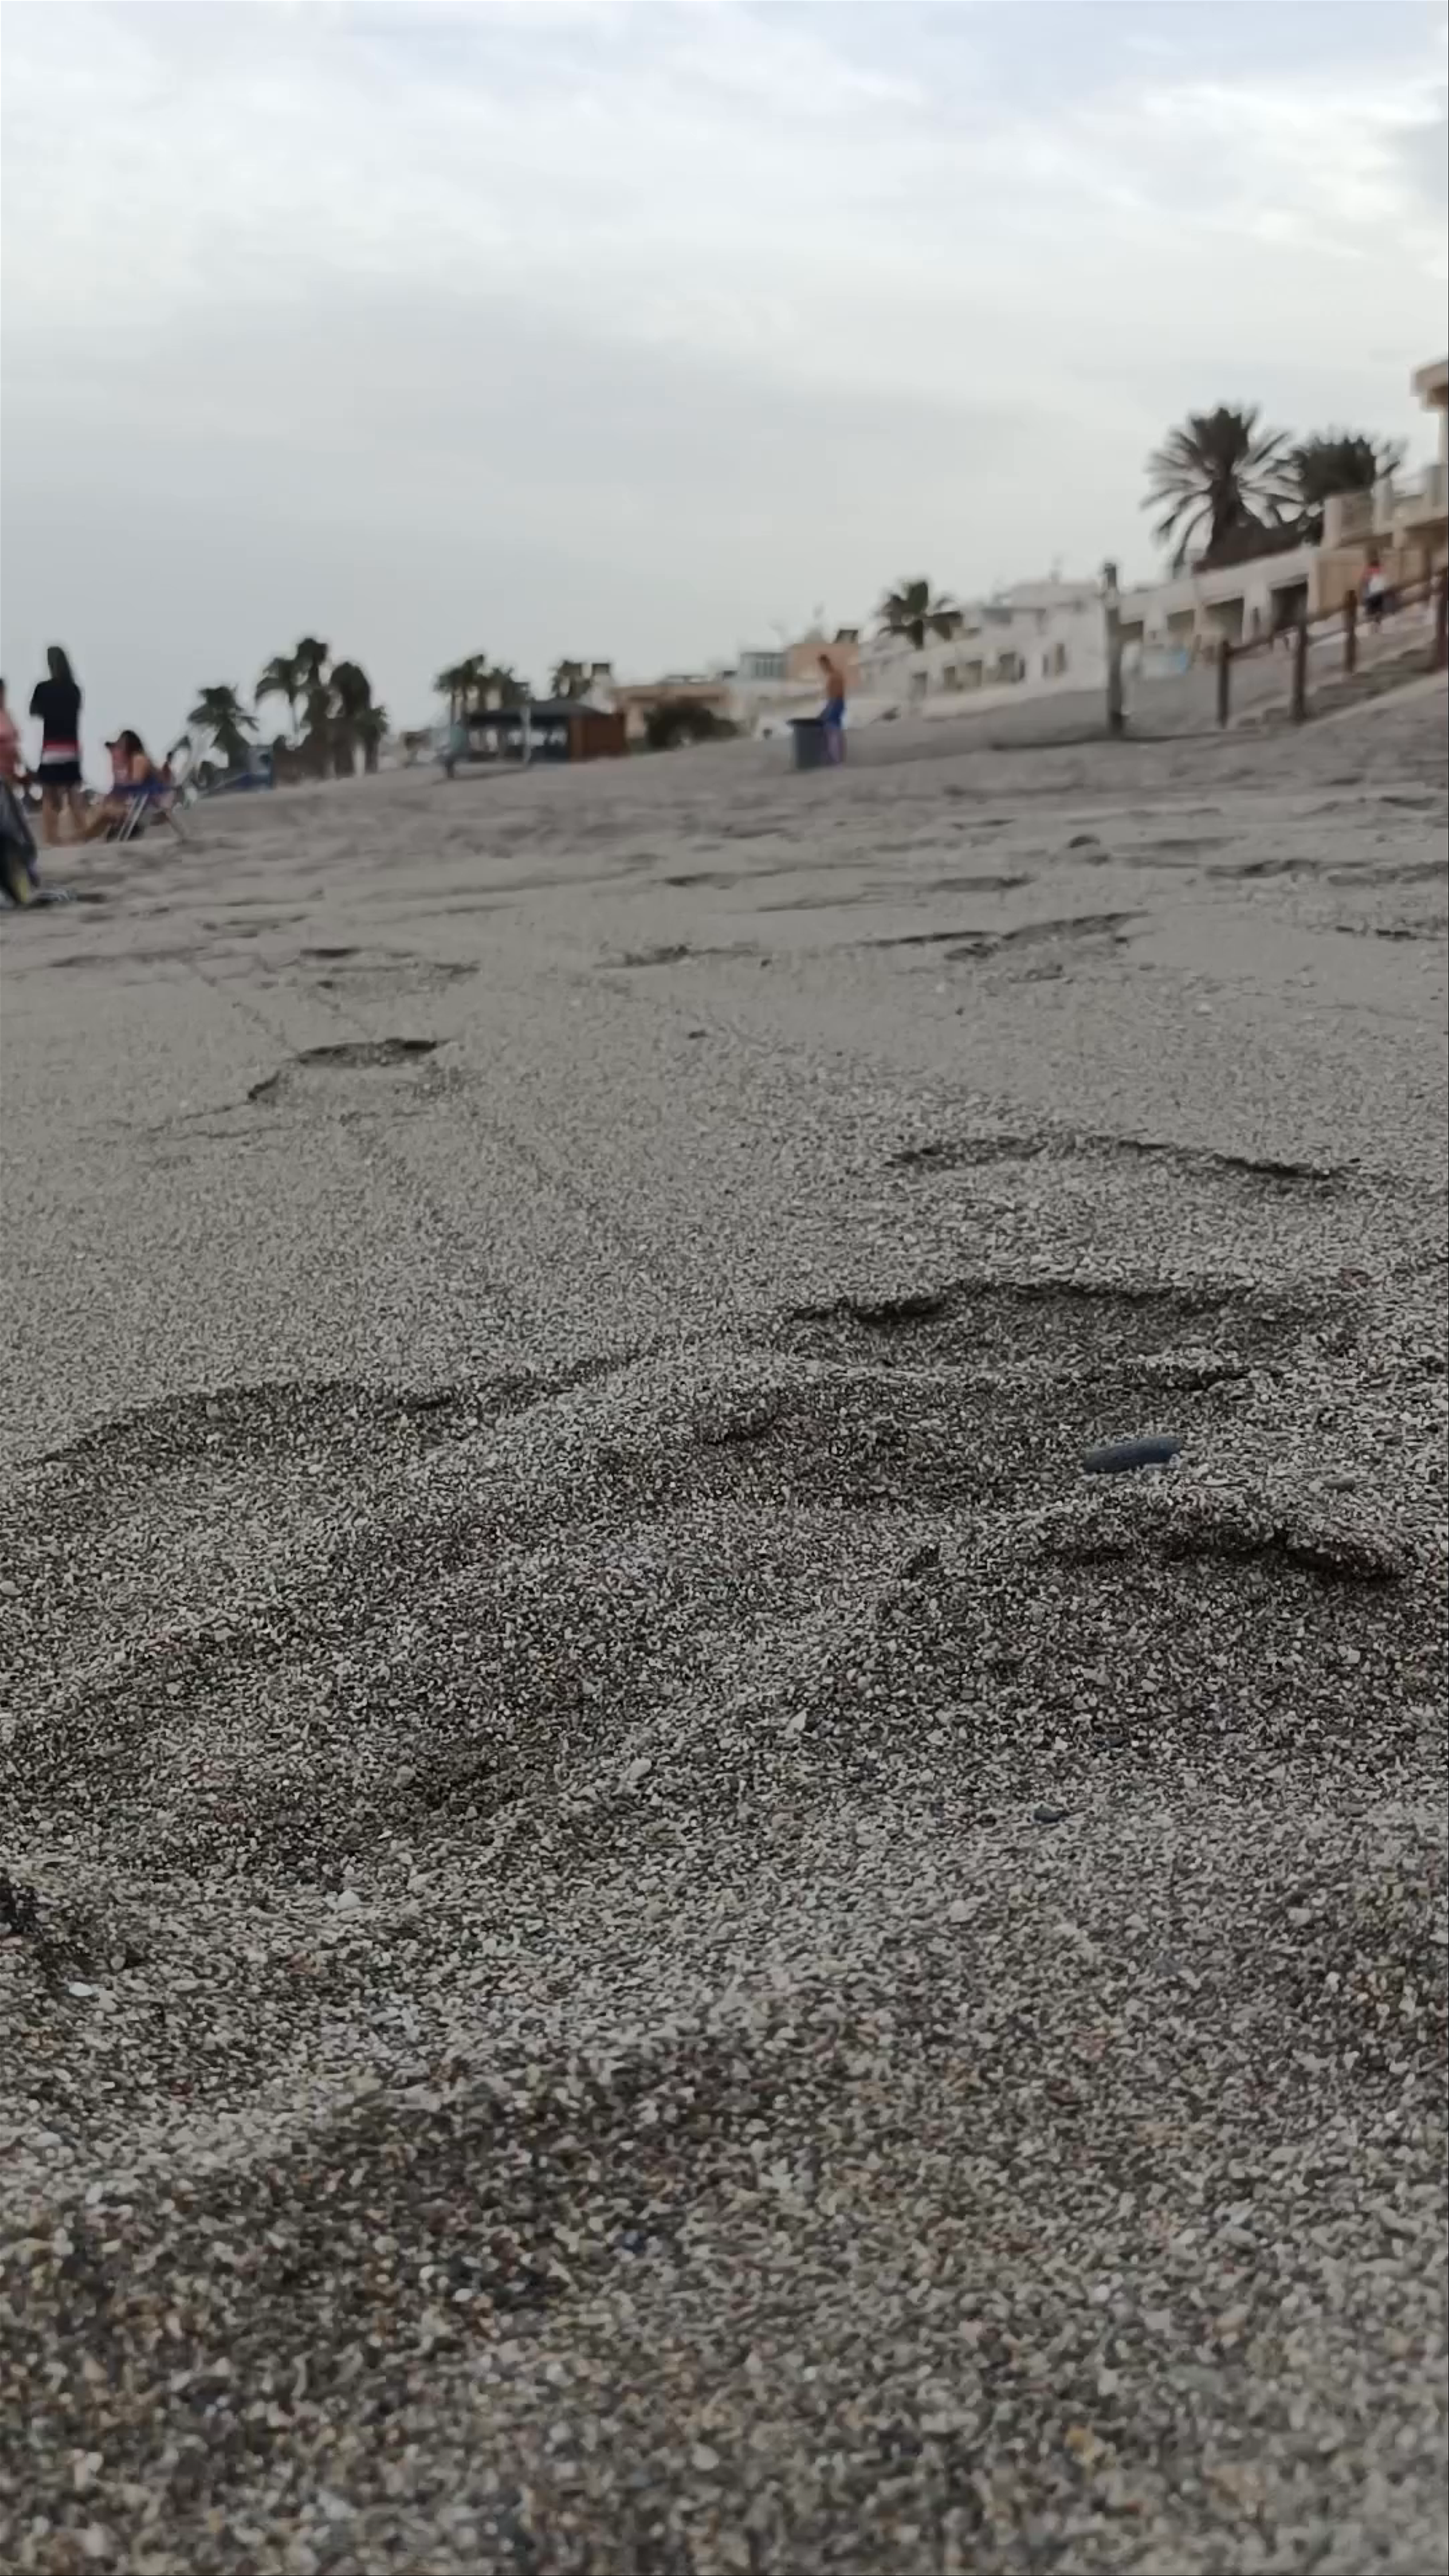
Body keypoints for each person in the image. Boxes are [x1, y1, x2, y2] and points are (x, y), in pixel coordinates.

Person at [29, 646, 85, 846]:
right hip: (72, 746)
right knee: (73, 793)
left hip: (52, 747)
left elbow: (33, 711)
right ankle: (82, 833)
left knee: (49, 795)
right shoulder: (75, 689)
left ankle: (51, 837)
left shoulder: (43, 688)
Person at [0, 677, 41, 906]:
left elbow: (14, 749)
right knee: (9, 831)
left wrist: (23, 772)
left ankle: (26, 877)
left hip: (8, 780)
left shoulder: (7, 716)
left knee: (16, 832)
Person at [80, 729, 160, 840]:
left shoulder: (139, 758)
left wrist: (118, 778)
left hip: (148, 808)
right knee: (104, 811)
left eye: (121, 745)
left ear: (130, 745)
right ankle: (82, 839)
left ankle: (81, 839)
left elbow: (135, 786)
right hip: (141, 806)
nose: (119, 748)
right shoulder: (132, 762)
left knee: (106, 812)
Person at [818, 652, 848, 765]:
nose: (822, 669)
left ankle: (836, 759)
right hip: (838, 703)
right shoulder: (836, 675)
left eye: (822, 666)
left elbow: (835, 696)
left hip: (836, 703)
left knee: (832, 731)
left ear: (826, 664)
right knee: (837, 730)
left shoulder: (834, 676)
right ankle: (839, 758)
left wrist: (828, 709)